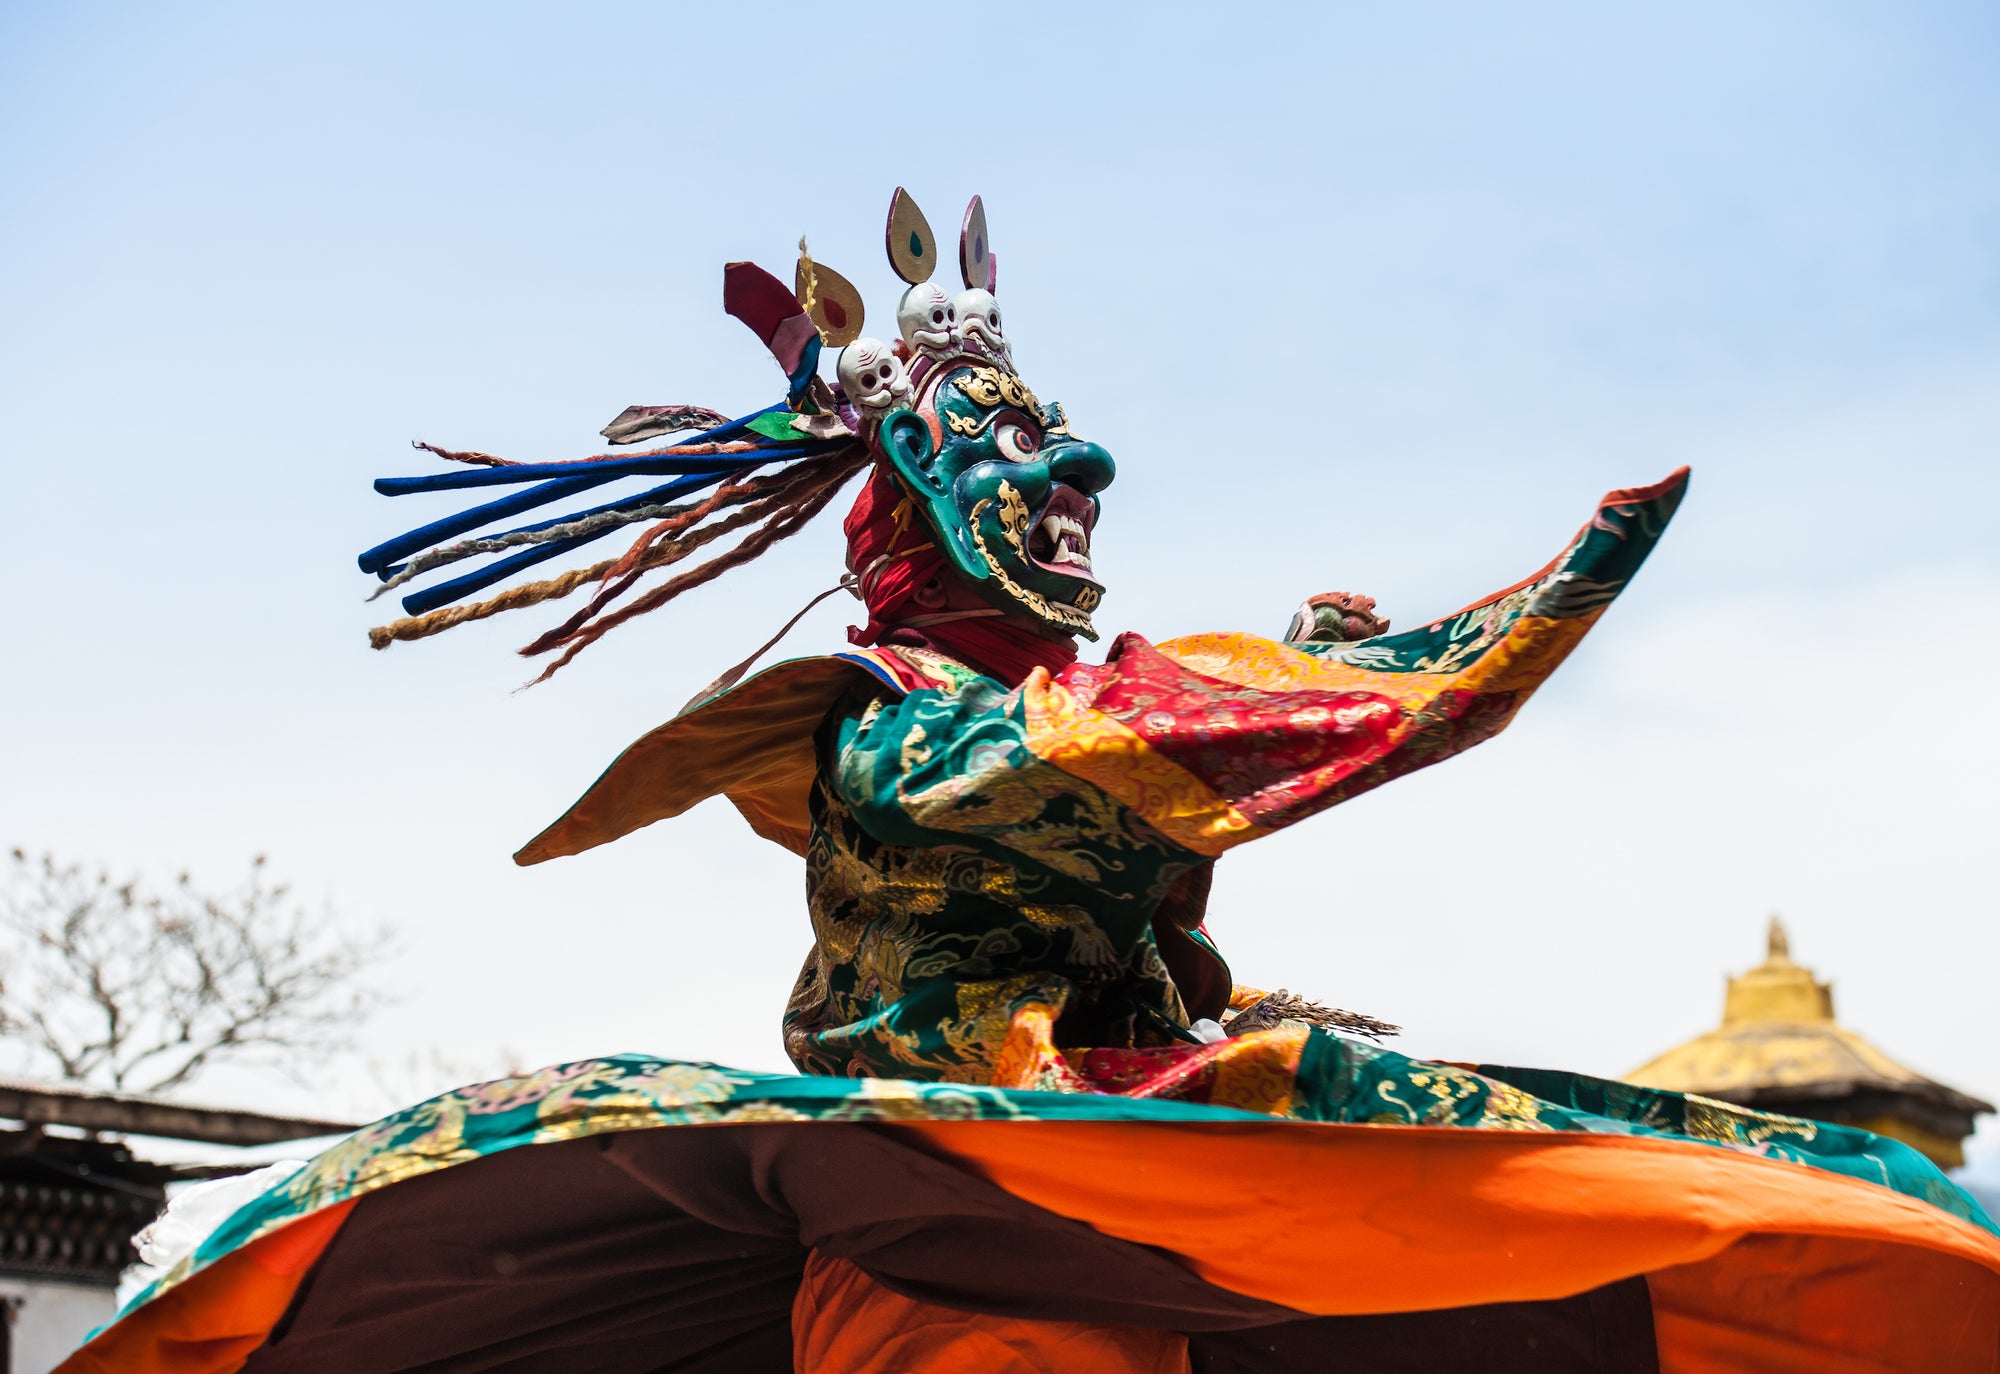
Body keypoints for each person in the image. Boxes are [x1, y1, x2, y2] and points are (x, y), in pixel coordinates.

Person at [66, 192, 1999, 1374]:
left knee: (1646, 1188)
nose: (1079, 466)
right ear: (909, 511)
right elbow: (1202, 743)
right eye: (1014, 444)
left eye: (1067, 443)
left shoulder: (1051, 707)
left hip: (1102, 1191)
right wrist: (1455, 643)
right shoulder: (914, 741)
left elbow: (1165, 843)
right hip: (959, 1189)